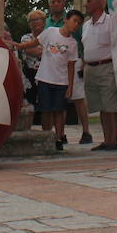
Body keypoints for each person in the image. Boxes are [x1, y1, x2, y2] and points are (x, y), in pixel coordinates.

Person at [45, 0, 92, 144]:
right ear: (49, 5)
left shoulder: (74, 20)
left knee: (78, 97)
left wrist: (84, 61)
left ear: (64, 4)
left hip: (74, 61)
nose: (56, 4)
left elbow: (83, 41)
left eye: (59, 1)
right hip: (55, 66)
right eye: (53, 2)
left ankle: (86, 132)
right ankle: (61, 134)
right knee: (59, 99)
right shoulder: (47, 23)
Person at [36, 10, 83, 150]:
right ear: (66, 20)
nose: (76, 25)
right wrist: (19, 46)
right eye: (74, 20)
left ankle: (58, 137)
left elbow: (71, 66)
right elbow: (35, 42)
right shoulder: (50, 32)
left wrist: (69, 87)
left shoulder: (72, 43)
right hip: (45, 77)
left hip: (61, 81)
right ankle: (46, 136)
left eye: (79, 23)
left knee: (59, 110)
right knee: (46, 110)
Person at [80, 0, 117, 151]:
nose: (86, 4)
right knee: (101, 106)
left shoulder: (110, 22)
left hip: (106, 66)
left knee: (110, 105)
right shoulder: (86, 25)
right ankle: (106, 139)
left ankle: (113, 140)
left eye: (89, 1)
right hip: (90, 68)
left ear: (100, 3)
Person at [17, 9, 47, 121]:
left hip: (46, 74)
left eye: (37, 19)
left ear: (44, 22)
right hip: (30, 74)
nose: (34, 22)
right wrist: (45, 51)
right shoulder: (26, 38)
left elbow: (52, 51)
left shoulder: (49, 36)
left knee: (45, 102)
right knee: (31, 100)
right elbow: (30, 51)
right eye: (31, 20)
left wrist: (43, 51)